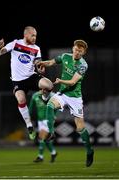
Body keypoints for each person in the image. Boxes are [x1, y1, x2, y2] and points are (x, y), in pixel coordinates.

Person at [37, 39, 94, 167]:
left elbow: (73, 82)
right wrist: (42, 63)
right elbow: (51, 62)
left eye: (81, 50)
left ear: (83, 52)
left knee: (80, 128)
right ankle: (51, 133)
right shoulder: (65, 56)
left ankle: (90, 151)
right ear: (73, 48)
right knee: (50, 105)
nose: (77, 52)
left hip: (75, 97)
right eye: (76, 49)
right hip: (63, 94)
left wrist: (60, 81)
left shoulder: (83, 65)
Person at [0, 26, 52, 140]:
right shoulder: (15, 44)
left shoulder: (36, 48)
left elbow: (38, 63)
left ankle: (44, 99)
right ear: (26, 35)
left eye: (35, 35)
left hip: (31, 77)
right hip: (18, 81)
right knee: (21, 100)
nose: (35, 37)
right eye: (33, 35)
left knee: (49, 85)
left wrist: (40, 68)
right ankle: (29, 126)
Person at [28, 88, 58, 163]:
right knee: (45, 139)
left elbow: (58, 106)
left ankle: (40, 156)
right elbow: (31, 108)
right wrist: (28, 117)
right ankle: (53, 153)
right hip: (40, 120)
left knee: (42, 137)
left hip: (48, 119)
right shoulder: (35, 95)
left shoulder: (52, 95)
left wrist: (54, 115)